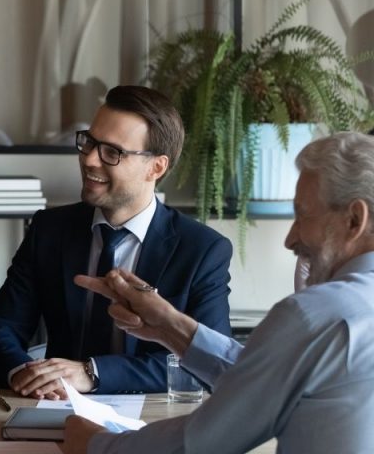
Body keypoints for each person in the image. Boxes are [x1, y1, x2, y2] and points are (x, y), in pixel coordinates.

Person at [64, 131, 374, 454]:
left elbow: (202, 442)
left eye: (303, 215)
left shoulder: (315, 315)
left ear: (354, 219)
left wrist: (97, 445)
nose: (291, 239)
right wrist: (171, 327)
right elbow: (264, 377)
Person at [0, 85, 232, 397]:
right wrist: (25, 374)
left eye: (112, 152)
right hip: (57, 409)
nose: (90, 160)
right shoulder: (50, 229)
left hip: (152, 420)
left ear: (157, 167)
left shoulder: (202, 250)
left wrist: (92, 373)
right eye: (89, 143)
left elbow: (207, 362)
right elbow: (0, 330)